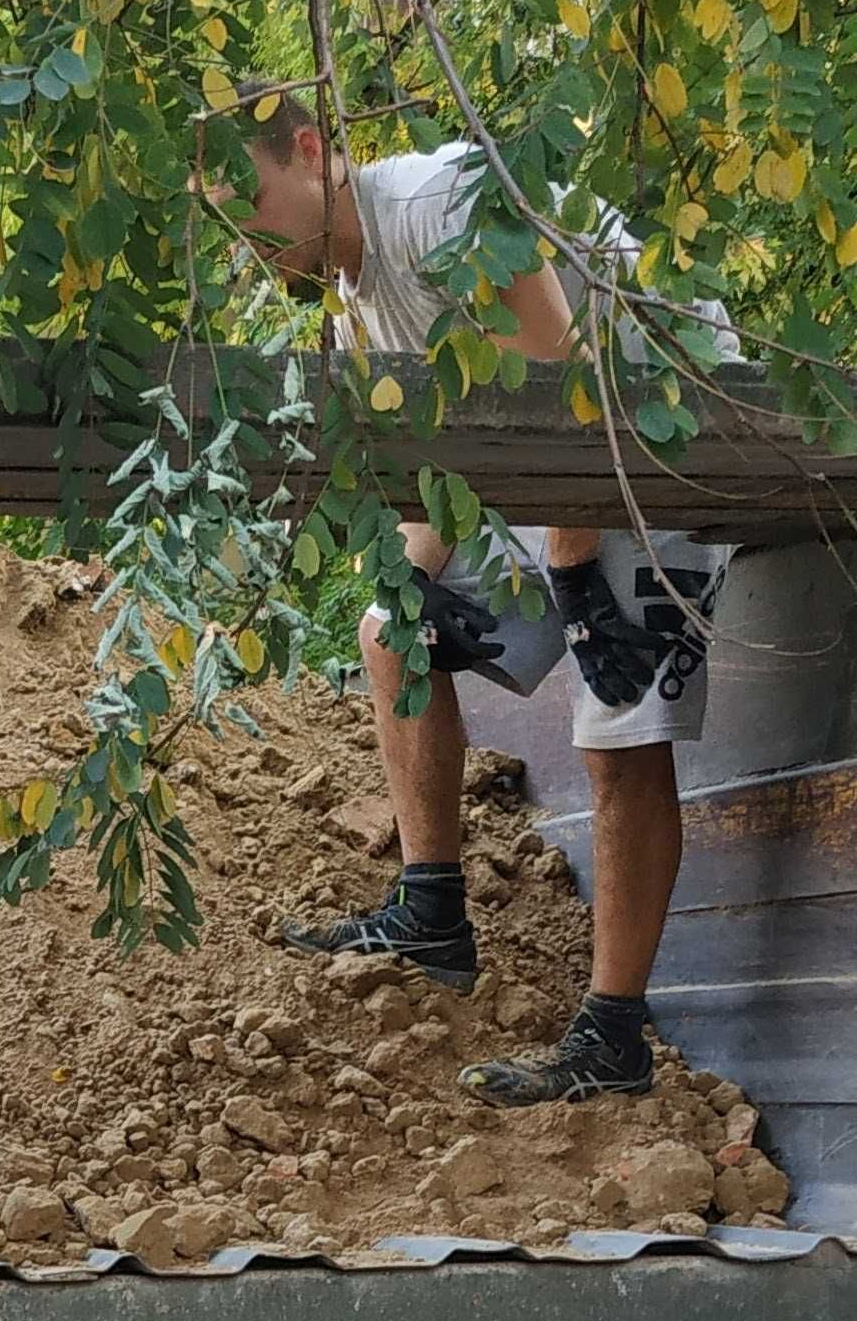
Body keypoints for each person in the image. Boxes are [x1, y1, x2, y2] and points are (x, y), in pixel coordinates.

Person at [232, 98, 728, 1106]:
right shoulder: (359, 290)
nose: (248, 240)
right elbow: (453, 465)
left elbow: (570, 395)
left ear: (314, 153)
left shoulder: (441, 203)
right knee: (390, 627)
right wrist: (412, 580)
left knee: (616, 724)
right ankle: (432, 912)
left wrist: (579, 578)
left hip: (661, 428)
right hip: (558, 460)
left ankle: (615, 1037)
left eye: (251, 204)